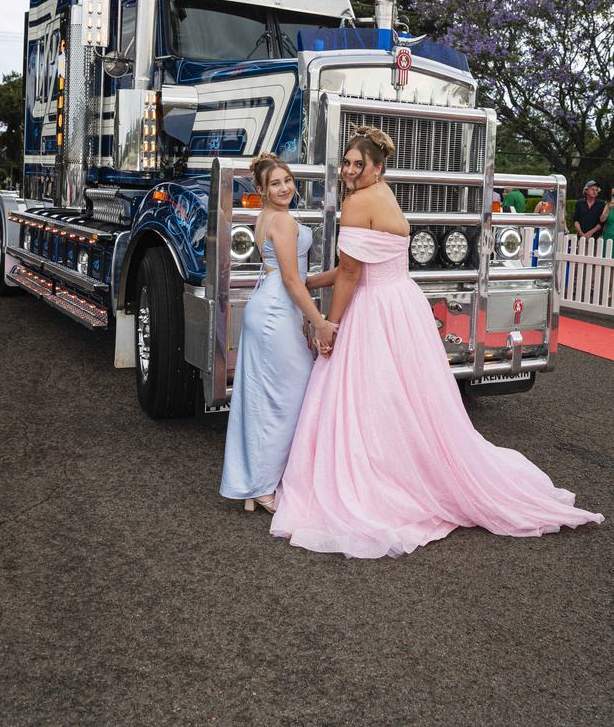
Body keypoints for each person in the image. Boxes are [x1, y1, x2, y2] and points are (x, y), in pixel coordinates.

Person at [270, 127, 604, 558]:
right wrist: (305, 282)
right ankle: (409, 465)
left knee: (367, 396)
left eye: (359, 164)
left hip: (374, 308)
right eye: (348, 163)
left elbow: (352, 274)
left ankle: (381, 476)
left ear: (378, 166)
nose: (351, 171)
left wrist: (327, 324)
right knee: (408, 398)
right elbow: (354, 265)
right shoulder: (386, 195)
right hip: (403, 303)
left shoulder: (357, 202)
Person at [220, 153, 337, 514]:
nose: (285, 187)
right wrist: (318, 320)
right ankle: (264, 487)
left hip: (273, 307)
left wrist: (341, 273)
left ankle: (257, 484)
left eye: (287, 180)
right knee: (286, 400)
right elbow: (290, 279)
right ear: (261, 189)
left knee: (265, 400)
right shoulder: (282, 221)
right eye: (275, 183)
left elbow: (293, 277)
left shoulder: (266, 217)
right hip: (275, 311)